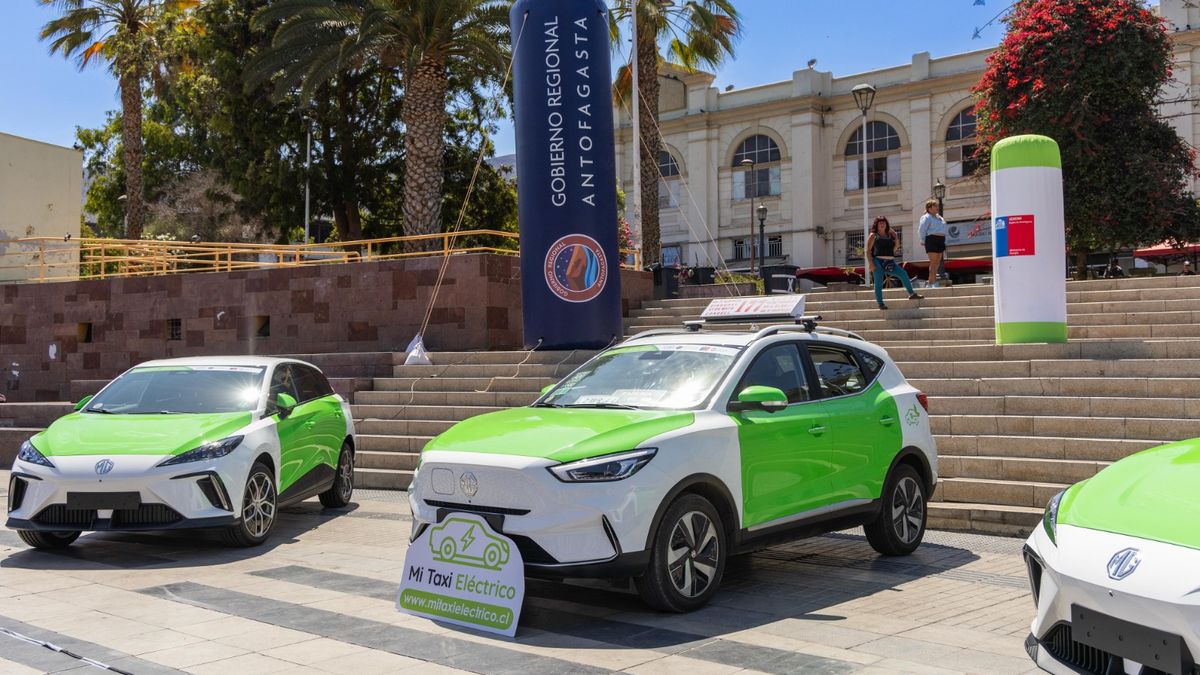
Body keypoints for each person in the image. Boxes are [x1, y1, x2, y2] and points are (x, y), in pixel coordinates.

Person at [867, 216, 923, 310]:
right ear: (876, 225)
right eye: (880, 223)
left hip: (890, 261)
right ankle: (881, 304)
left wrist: (896, 237)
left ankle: (911, 294)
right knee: (879, 283)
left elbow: (896, 248)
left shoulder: (890, 235)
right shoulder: (873, 235)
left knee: (903, 274)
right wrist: (871, 263)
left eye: (883, 222)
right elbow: (868, 250)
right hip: (878, 262)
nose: (882, 224)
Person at [918, 198, 948, 287]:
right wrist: (922, 240)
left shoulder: (940, 217)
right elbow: (921, 229)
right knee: (933, 262)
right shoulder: (926, 217)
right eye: (935, 206)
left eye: (937, 205)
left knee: (938, 262)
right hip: (931, 239)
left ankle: (931, 282)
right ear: (929, 208)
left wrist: (944, 241)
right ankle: (932, 282)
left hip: (940, 240)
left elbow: (944, 229)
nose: (937, 207)